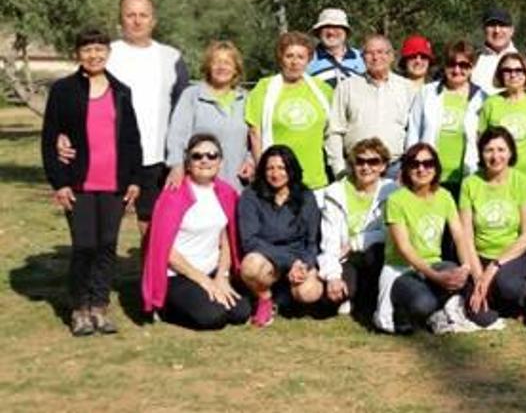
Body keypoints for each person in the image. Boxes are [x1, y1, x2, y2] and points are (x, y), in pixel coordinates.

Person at [41, 29, 143, 336]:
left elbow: (131, 139)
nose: (94, 55)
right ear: (77, 54)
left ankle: (99, 306)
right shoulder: (63, 90)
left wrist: (135, 180)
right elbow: (49, 139)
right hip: (79, 183)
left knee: (107, 246)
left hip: (115, 184)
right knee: (85, 245)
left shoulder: (121, 90)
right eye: (87, 50)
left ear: (108, 53)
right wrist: (59, 182)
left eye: (99, 49)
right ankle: (80, 308)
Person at [92, 0, 187, 238]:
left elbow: (184, 109)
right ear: (120, 20)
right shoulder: (105, 55)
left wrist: (180, 156)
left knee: (153, 227)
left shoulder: (171, 57)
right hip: (111, 158)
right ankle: (99, 276)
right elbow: (80, 100)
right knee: (104, 228)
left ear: (153, 20)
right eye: (130, 15)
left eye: (143, 15)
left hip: (156, 159)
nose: (137, 21)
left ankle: (148, 276)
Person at [141, 134, 250, 330]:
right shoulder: (172, 196)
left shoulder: (226, 193)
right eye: (197, 156)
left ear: (220, 162)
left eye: (212, 155)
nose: (205, 160)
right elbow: (165, 249)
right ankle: (165, 308)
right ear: (188, 163)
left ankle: (202, 298)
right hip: (179, 274)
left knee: (241, 313)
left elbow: (226, 238)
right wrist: (203, 281)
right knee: (213, 317)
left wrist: (221, 277)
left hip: (211, 271)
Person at [374, 143, 471, 333]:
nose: (421, 169)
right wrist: (435, 277)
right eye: (415, 164)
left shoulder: (445, 196)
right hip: (402, 269)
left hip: (434, 263)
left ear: (436, 168)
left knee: (454, 272)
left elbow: (459, 235)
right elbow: (404, 248)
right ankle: (409, 312)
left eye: (428, 164)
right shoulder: (396, 200)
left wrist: (466, 267)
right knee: (424, 303)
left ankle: (439, 311)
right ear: (406, 169)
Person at [457, 127, 526, 325]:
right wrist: (478, 277)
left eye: (501, 149)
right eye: (489, 150)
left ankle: (516, 302)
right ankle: (488, 298)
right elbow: (465, 236)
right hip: (479, 256)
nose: (495, 156)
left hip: (512, 256)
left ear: (510, 152)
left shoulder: (524, 183)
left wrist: (493, 268)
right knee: (482, 317)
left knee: (508, 286)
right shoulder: (470, 184)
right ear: (481, 153)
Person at [237, 145, 324, 327]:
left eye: (281, 168)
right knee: (250, 266)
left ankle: (285, 298)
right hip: (267, 257)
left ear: (291, 169)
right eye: (270, 168)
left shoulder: (306, 197)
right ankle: (265, 298)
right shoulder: (250, 196)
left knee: (309, 292)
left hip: (298, 258)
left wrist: (303, 265)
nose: (276, 174)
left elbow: (312, 241)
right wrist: (288, 262)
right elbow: (249, 241)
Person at [245, 31, 334, 191]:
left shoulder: (323, 90)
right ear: (281, 58)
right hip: (277, 179)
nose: (295, 62)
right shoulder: (264, 88)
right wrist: (262, 173)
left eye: (300, 57)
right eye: (289, 56)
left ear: (308, 60)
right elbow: (255, 133)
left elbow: (333, 131)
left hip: (314, 179)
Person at [318, 139, 396, 317]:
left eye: (373, 162)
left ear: (383, 166)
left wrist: (356, 242)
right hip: (345, 259)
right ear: (352, 165)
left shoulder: (392, 191)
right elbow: (329, 241)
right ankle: (355, 296)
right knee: (330, 301)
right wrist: (333, 276)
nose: (366, 167)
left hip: (375, 256)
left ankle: (372, 298)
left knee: (374, 251)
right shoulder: (335, 192)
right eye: (360, 161)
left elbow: (390, 233)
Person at [165, 41, 255, 191]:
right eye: (217, 62)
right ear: (208, 66)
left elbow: (255, 138)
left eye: (227, 62)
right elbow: (176, 135)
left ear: (236, 69)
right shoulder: (192, 96)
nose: (222, 67)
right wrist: (176, 165)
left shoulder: (246, 99)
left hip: (237, 183)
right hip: (199, 182)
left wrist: (251, 161)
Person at [324, 34, 415, 178]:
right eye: (370, 53)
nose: (376, 57)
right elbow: (334, 131)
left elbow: (414, 131)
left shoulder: (407, 88)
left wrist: (408, 169)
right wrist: (338, 169)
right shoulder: (346, 87)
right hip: (357, 167)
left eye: (381, 52)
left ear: (391, 56)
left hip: (395, 170)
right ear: (362, 58)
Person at [406, 40, 486, 200]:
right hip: (428, 175)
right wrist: (409, 167)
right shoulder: (427, 93)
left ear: (472, 68)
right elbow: (413, 133)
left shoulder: (482, 98)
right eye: (452, 64)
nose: (457, 70)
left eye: (464, 65)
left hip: (466, 176)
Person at [478, 52, 526, 217]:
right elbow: (482, 141)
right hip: (502, 179)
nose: (513, 74)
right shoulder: (491, 103)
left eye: (518, 70)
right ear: (500, 74)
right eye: (507, 70)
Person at [471, 8, 526, 96]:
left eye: (502, 25)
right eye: (492, 25)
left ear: (512, 30)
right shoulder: (472, 59)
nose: (497, 30)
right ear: (483, 29)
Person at [307, 8, 365, 87]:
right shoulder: (307, 58)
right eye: (326, 27)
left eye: (336, 27)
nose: (331, 32)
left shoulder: (362, 57)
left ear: (346, 32)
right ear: (318, 32)